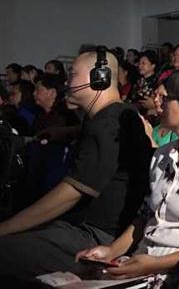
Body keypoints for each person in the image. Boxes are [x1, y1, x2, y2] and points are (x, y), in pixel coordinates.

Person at [0, 47, 153, 279]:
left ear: (99, 78)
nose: (67, 82)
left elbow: (70, 193)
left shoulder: (107, 125)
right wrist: (67, 131)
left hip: (95, 237)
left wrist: (5, 227)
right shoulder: (116, 115)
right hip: (88, 228)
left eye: (72, 74)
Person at [76, 69, 179, 287]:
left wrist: (153, 264)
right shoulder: (162, 155)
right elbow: (145, 217)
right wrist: (111, 251)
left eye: (166, 98)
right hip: (140, 260)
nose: (158, 103)